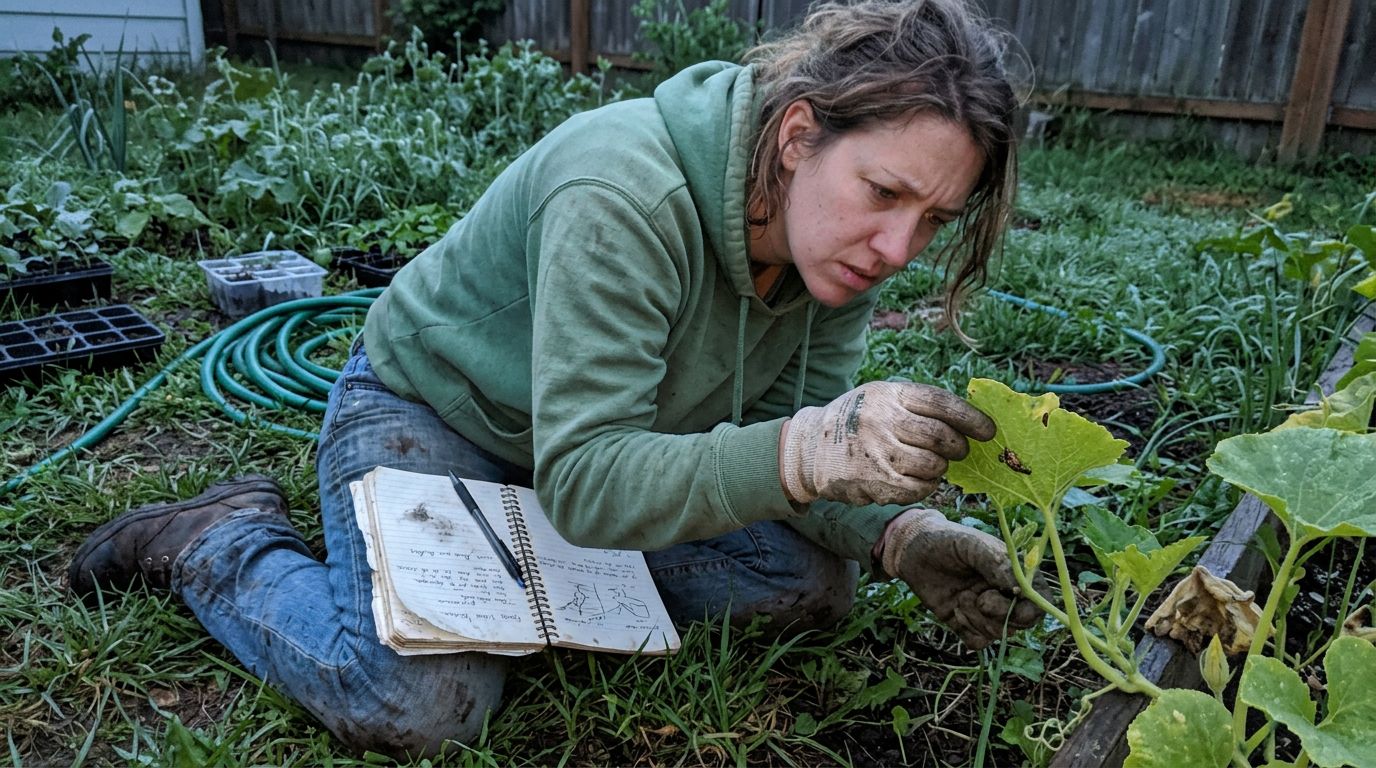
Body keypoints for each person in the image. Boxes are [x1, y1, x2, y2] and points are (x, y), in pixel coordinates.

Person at [69, 0, 1043, 757]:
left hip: (592, 453)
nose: (895, 247)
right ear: (796, 138)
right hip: (437, 409)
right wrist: (806, 446)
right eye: (883, 194)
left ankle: (504, 598)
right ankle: (223, 541)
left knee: (805, 587)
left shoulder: (838, 251)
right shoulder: (624, 190)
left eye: (932, 220)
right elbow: (622, 476)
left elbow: (790, 448)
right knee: (417, 711)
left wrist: (901, 538)